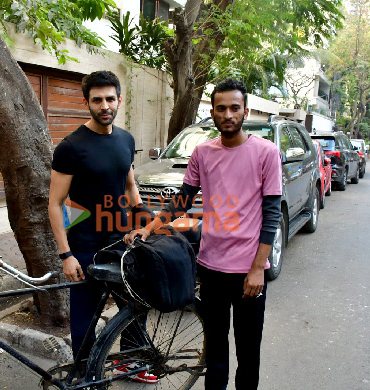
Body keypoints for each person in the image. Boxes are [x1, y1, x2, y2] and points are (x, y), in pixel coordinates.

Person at [125, 79, 283, 390]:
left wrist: (257, 269)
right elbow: (183, 200)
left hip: (248, 273)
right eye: (221, 108)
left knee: (249, 353)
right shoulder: (202, 153)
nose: (228, 114)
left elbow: (272, 215)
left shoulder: (266, 153)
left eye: (234, 108)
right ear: (212, 113)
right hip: (210, 268)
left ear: (245, 111)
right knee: (216, 353)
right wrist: (150, 227)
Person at [48, 70, 157, 383]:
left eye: (111, 98)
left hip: (122, 241)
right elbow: (55, 203)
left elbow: (129, 184)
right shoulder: (70, 147)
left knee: (136, 303)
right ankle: (83, 375)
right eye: (97, 100)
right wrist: (65, 254)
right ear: (86, 102)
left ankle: (130, 362)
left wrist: (142, 214)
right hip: (84, 245)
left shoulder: (126, 140)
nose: (105, 105)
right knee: (84, 315)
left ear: (119, 100)